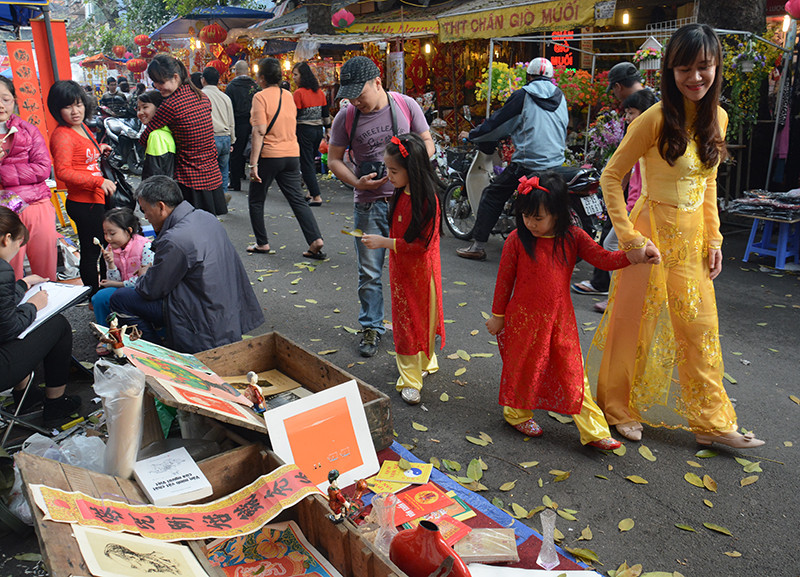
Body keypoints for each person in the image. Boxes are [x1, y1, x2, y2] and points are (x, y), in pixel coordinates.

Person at [586, 23, 764, 449]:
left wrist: (715, 239)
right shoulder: (654, 118)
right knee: (633, 325)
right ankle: (618, 408)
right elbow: (612, 177)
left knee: (700, 328)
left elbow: (708, 185)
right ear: (670, 71)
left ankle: (713, 423)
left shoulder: (716, 116)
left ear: (716, 67)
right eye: (685, 68)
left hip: (691, 243)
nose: (695, 77)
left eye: (703, 67)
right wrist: (628, 237)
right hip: (648, 237)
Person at [485, 173, 639, 449]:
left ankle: (594, 431)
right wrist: (498, 316)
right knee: (522, 368)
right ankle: (516, 414)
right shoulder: (516, 241)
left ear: (557, 213)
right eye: (525, 216)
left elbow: (603, 259)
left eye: (538, 217)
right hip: (523, 320)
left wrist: (632, 256)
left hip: (560, 320)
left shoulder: (573, 237)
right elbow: (504, 281)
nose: (530, 223)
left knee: (573, 371)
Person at [328, 56, 434, 357]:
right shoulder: (346, 117)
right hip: (369, 205)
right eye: (349, 96)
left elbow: (428, 142)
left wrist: (413, 164)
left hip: (408, 202)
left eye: (358, 94)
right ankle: (372, 326)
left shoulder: (405, 105)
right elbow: (335, 159)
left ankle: (414, 327)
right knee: (370, 273)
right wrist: (357, 182)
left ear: (377, 82)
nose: (354, 101)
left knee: (412, 269)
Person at [109, 176, 263, 353]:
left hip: (203, 316)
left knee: (120, 298)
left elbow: (151, 289)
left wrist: (144, 274)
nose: (145, 216)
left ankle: (155, 352)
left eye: (145, 210)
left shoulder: (175, 240)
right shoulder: (205, 216)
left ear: (161, 206)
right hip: (227, 304)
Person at [456, 58, 568, 261]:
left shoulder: (523, 96)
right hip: (556, 163)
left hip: (529, 163)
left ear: (529, 76)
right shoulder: (560, 96)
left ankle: (478, 245)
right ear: (551, 77)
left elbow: (497, 123)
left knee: (492, 194)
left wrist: (472, 135)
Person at [361, 134, 444, 405]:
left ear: (413, 170)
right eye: (388, 169)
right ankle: (413, 373)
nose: (390, 175)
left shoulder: (427, 199)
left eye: (394, 171)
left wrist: (384, 242)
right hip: (402, 269)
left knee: (419, 319)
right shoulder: (401, 191)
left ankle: (417, 372)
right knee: (406, 322)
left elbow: (421, 244)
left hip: (422, 271)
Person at [575, 89, 659, 313]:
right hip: (635, 205)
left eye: (631, 112)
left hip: (638, 207)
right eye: (627, 113)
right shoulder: (642, 136)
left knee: (613, 245)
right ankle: (622, 296)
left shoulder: (649, 137)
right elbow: (617, 175)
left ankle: (619, 296)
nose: (628, 118)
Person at [0, 207, 81, 424]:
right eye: (19, 244)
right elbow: (9, 327)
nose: (17, 251)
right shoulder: (2, 269)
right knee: (58, 325)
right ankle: (55, 404)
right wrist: (33, 306)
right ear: (7, 239)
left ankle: (24, 394)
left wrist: (22, 284)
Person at [246, 57, 325, 260]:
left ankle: (262, 243)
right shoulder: (288, 95)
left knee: (256, 199)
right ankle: (315, 239)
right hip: (291, 153)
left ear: (261, 78)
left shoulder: (260, 97)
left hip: (270, 155)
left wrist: (253, 163)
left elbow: (259, 132)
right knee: (298, 199)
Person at [47, 80, 116, 295]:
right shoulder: (62, 135)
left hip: (98, 198)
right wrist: (98, 181)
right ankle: (95, 296)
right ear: (58, 110)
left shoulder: (81, 126)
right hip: (84, 203)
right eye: (68, 107)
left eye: (78, 104)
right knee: (92, 250)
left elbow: (82, 158)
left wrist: (100, 149)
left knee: (106, 246)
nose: (75, 111)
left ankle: (106, 290)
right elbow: (64, 172)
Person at [140, 55, 226, 216]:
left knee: (189, 227)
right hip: (212, 173)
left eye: (161, 82)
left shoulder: (170, 105)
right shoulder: (202, 96)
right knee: (207, 224)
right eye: (155, 83)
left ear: (175, 77)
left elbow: (146, 136)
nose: (158, 87)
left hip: (189, 177)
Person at [0, 77, 58, 281]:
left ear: (14, 100)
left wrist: (4, 172)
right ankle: (11, 311)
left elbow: (43, 168)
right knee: (7, 271)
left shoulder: (29, 131)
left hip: (35, 205)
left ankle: (48, 308)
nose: (1, 105)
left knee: (45, 267)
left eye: (5, 99)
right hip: (2, 213)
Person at [91, 208, 154, 340]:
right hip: (122, 288)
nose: (107, 238)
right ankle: (107, 335)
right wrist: (111, 264)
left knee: (119, 295)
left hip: (141, 289)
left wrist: (116, 284)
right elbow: (113, 278)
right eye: (105, 233)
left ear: (129, 231)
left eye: (112, 233)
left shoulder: (145, 247)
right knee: (99, 297)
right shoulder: (110, 249)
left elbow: (144, 279)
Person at [292, 61, 330, 206]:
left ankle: (316, 196)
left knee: (306, 163)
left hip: (304, 131)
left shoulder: (298, 93)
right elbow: (325, 114)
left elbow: (294, 115)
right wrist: (327, 130)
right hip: (317, 131)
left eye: (296, 75)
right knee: (311, 162)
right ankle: (310, 192)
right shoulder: (319, 92)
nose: (294, 78)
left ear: (303, 76)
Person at [201, 66, 236, 194]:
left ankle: (212, 200)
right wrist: (232, 140)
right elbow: (231, 121)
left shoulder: (201, 96)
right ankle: (223, 198)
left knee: (209, 172)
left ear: (203, 80)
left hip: (210, 138)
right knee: (223, 170)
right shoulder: (225, 97)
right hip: (225, 137)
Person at [226, 60, 259, 192]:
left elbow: (229, 107)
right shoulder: (255, 86)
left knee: (236, 152)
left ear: (236, 72)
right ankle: (254, 177)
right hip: (254, 122)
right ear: (248, 71)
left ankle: (235, 181)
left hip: (238, 123)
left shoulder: (232, 87)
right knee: (254, 150)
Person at [136, 90, 175, 180]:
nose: (140, 113)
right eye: (138, 109)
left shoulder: (156, 135)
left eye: (145, 107)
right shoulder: (166, 130)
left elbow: (154, 174)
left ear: (159, 108)